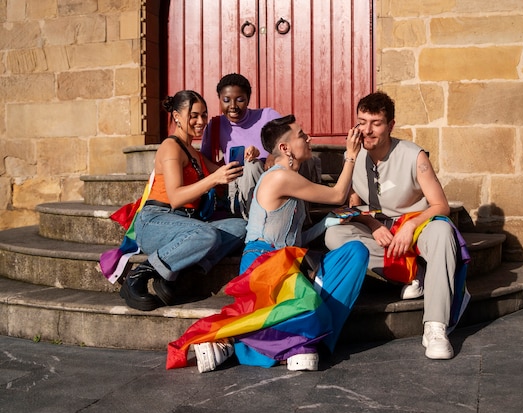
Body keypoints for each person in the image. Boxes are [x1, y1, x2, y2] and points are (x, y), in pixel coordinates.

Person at [166, 115, 368, 372]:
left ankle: (303, 338)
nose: (308, 138)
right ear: (285, 148)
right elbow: (338, 194)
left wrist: (326, 223)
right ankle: (244, 341)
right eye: (301, 135)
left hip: (287, 261)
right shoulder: (279, 177)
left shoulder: (292, 179)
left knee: (356, 252)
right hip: (263, 265)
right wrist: (351, 154)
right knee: (310, 311)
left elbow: (296, 241)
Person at [324, 91, 470, 360]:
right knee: (334, 234)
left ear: (390, 125)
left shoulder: (414, 156)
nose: (367, 130)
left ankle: (436, 327)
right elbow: (350, 205)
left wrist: (411, 224)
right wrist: (371, 223)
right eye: (361, 121)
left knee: (443, 231)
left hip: (416, 228)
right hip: (381, 230)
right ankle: (413, 273)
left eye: (376, 123)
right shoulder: (355, 156)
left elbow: (441, 206)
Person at [120, 90, 248, 311]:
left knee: (242, 227)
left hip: (187, 224)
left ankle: (184, 274)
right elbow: (176, 197)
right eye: (194, 115)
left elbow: (223, 174)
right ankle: (139, 275)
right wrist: (213, 179)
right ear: (177, 116)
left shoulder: (194, 152)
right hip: (157, 222)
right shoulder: (171, 147)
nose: (201, 121)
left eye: (204, 115)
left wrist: (248, 160)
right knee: (206, 234)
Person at [200, 73, 321, 219]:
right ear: (219, 99)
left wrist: (273, 155)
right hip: (242, 185)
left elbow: (296, 141)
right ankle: (256, 222)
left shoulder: (267, 115)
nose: (233, 106)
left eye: (240, 100)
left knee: (299, 157)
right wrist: (230, 169)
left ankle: (300, 218)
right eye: (226, 100)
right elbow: (203, 160)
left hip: (276, 178)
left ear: (248, 99)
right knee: (251, 166)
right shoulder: (216, 125)